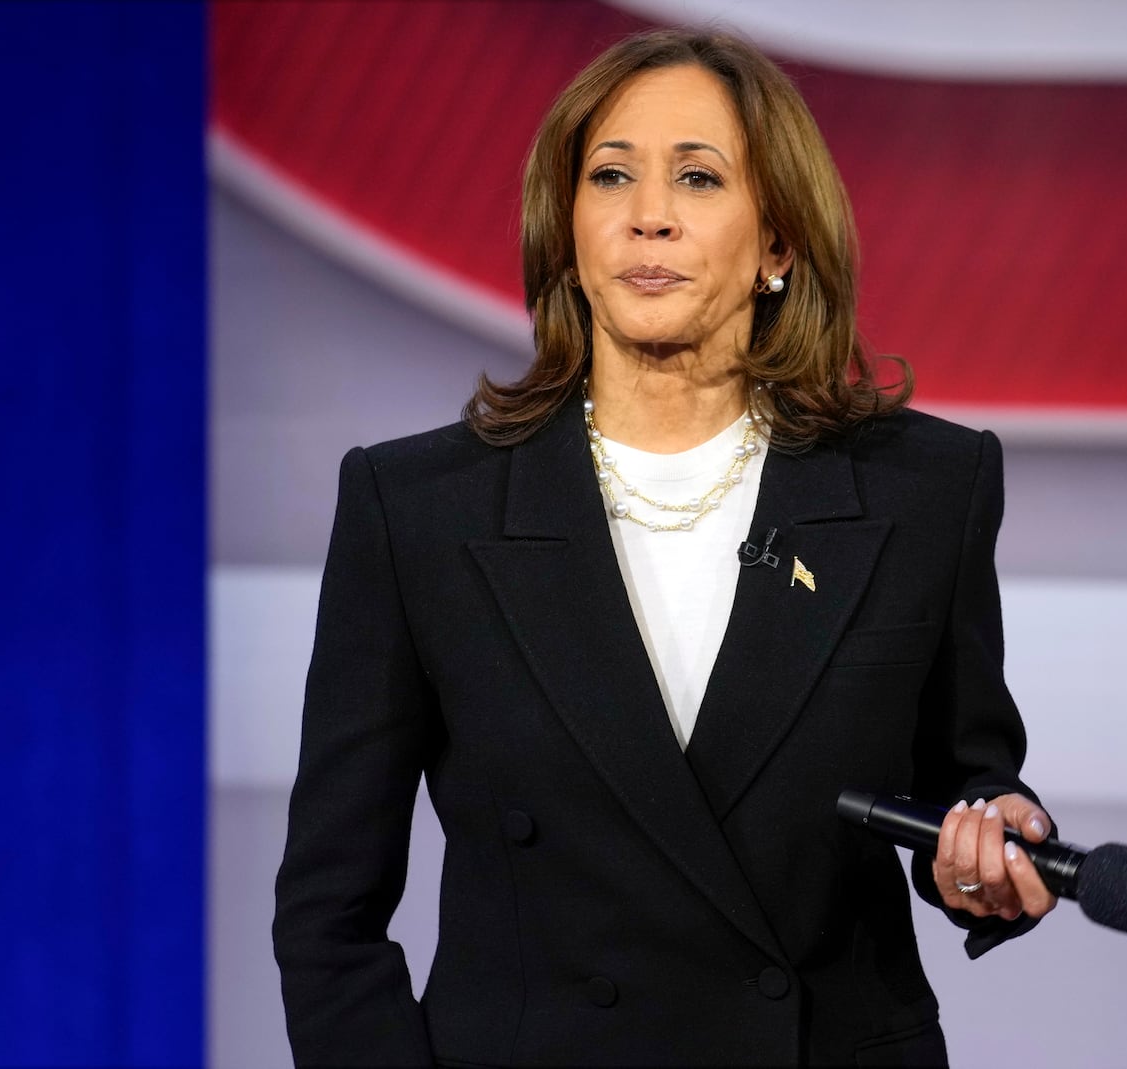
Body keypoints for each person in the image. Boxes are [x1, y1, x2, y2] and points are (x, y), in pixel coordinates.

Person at [274, 28, 1056, 1068]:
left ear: (778, 243)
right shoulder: (417, 506)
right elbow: (329, 910)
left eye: (697, 176)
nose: (649, 213)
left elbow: (965, 779)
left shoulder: (926, 491)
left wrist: (984, 850)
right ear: (569, 232)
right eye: (610, 176)